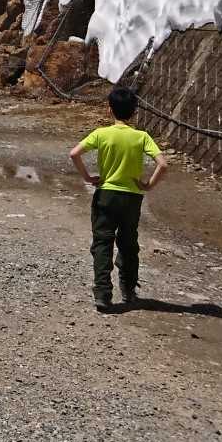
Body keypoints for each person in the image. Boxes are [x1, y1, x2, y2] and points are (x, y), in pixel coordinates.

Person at [69, 86, 169, 311]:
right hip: (132, 198)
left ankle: (103, 293)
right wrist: (148, 185)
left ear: (109, 109)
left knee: (102, 242)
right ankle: (129, 289)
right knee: (128, 244)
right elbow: (163, 164)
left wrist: (88, 177)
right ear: (134, 112)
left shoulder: (101, 134)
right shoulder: (142, 137)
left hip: (106, 194)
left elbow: (74, 153)